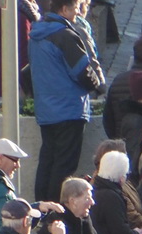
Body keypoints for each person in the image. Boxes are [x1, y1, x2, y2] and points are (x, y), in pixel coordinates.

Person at [28, 0, 108, 203]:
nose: (78, 13)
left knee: (47, 161)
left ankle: (42, 206)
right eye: (75, 8)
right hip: (69, 108)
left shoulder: (37, 35)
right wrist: (96, 84)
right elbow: (83, 72)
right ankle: (56, 209)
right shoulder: (66, 36)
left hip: (46, 109)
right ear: (64, 9)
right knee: (64, 165)